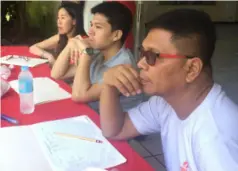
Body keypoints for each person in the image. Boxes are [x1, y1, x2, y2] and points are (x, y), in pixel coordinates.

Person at [99, 9, 238, 171]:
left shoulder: (216, 138)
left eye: (152, 56)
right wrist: (108, 86)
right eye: (142, 53)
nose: (141, 64)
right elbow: (116, 130)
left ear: (192, 69)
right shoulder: (164, 104)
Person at [51, 2, 143, 112]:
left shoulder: (124, 66)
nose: (90, 31)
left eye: (98, 27)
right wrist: (70, 44)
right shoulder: (99, 53)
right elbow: (57, 74)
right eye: (91, 25)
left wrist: (86, 53)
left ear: (116, 35)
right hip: (89, 115)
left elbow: (78, 96)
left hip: (109, 125)